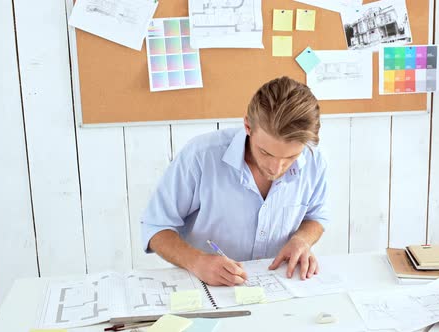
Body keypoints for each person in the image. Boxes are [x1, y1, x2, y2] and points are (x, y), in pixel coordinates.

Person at [140, 76, 330, 286]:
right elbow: (155, 227)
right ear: (248, 126)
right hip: (205, 287)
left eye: (290, 158)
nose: (276, 168)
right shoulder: (201, 156)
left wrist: (302, 240)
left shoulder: (314, 161)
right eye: (266, 152)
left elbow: (316, 216)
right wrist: (197, 262)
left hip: (277, 287)